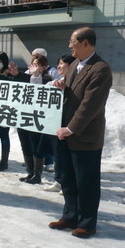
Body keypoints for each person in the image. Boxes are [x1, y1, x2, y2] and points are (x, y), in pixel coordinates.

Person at [49, 27, 112, 239]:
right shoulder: (75, 64)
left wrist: (70, 128)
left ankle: (87, 222)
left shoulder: (100, 69)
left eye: (72, 41)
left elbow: (89, 106)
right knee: (67, 178)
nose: (69, 45)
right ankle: (70, 215)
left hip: (84, 136)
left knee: (86, 181)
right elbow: (72, 93)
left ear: (86, 43)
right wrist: (61, 87)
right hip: (66, 133)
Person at [10, 55, 54, 184]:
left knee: (36, 147)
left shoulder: (48, 79)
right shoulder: (25, 76)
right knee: (25, 145)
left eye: (36, 64)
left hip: (37, 118)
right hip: (23, 116)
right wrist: (16, 74)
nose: (32, 67)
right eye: (32, 64)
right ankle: (30, 172)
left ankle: (37, 174)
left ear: (43, 67)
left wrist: (35, 76)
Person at [42, 54, 76, 193]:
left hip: (69, 126)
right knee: (58, 155)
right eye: (58, 63)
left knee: (68, 156)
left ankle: (68, 183)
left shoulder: (74, 84)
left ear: (71, 66)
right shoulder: (56, 81)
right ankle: (58, 181)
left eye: (62, 63)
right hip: (55, 125)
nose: (59, 66)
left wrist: (65, 91)